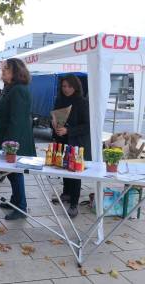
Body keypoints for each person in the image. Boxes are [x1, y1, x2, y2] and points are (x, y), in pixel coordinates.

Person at [0, 58, 36, 220]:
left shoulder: (18, 89)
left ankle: (21, 207)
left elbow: (17, 120)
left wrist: (9, 146)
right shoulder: (10, 88)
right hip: (9, 138)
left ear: (16, 71)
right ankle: (15, 201)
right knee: (12, 173)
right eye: (3, 68)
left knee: (15, 172)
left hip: (14, 141)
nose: (3, 71)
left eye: (6, 69)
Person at [52, 74, 91, 218]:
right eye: (63, 86)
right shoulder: (59, 100)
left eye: (69, 86)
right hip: (61, 139)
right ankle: (66, 194)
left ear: (75, 86)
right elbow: (55, 117)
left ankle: (74, 203)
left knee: (74, 172)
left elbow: (87, 126)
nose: (66, 89)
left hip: (76, 141)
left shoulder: (82, 102)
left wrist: (69, 130)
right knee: (64, 168)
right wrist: (54, 124)